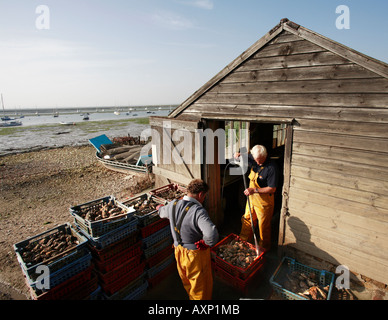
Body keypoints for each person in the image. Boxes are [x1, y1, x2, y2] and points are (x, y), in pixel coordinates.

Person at [157, 179, 219, 300]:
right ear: (201, 194)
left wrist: (159, 207)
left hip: (178, 252)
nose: (204, 199)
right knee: (201, 289)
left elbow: (161, 212)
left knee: (187, 283)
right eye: (204, 196)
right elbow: (212, 234)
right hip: (194, 257)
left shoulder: (173, 204)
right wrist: (206, 243)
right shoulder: (198, 211)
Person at [234, 145, 279, 252]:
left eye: (260, 161)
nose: (258, 163)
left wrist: (254, 190)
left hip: (264, 203)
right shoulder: (253, 157)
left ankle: (263, 249)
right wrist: (238, 155)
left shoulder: (272, 168)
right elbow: (243, 156)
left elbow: (272, 189)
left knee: (263, 227)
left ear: (265, 156)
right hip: (252, 199)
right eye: (256, 160)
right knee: (247, 219)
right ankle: (243, 242)